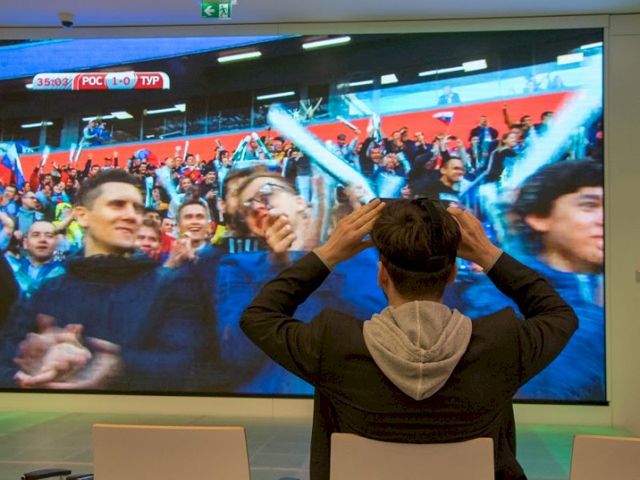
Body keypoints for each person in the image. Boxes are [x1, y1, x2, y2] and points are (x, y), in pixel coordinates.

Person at [240, 198, 577, 480]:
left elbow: (259, 316)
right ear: (452, 273)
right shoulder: (503, 343)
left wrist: (328, 253)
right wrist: (488, 255)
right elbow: (559, 314)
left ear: (382, 275)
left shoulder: (332, 344)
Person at [0, 169, 211, 391]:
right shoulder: (47, 292)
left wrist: (119, 365)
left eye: (137, 208)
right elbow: (6, 362)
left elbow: (191, 365)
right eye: (117, 205)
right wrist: (33, 370)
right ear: (83, 216)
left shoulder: (172, 286)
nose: (131, 215)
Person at [4, 221, 65, 300]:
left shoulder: (65, 271)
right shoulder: (10, 268)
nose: (42, 239)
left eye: (49, 236)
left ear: (57, 244)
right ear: (25, 243)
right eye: (36, 235)